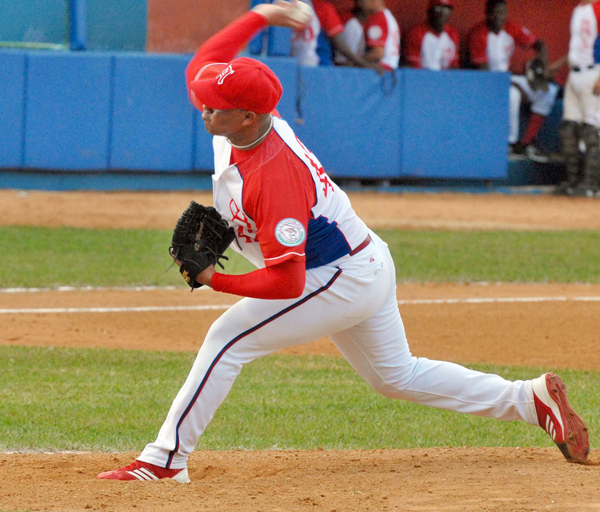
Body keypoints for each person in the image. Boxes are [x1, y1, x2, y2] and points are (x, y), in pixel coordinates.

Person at [97, 1, 590, 483]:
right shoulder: (237, 120)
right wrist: (262, 16)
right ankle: (530, 399)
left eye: (217, 107)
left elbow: (288, 281)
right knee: (396, 376)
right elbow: (202, 67)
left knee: (226, 340)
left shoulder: (275, 177)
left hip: (334, 278)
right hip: (362, 259)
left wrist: (215, 278)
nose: (204, 108)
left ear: (248, 116)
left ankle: (165, 458)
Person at [468, 0, 558, 161]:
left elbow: (540, 45)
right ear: (487, 14)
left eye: (503, 12)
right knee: (513, 94)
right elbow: (487, 74)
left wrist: (541, 66)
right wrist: (515, 83)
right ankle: (510, 143)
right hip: (484, 82)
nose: (499, 16)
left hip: (508, 76)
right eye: (495, 12)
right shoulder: (478, 34)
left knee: (549, 91)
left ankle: (525, 143)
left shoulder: (511, 27)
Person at [558, 0, 600, 197]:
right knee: (568, 128)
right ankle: (573, 181)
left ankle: (591, 184)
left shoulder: (598, 7)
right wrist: (556, 67)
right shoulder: (578, 9)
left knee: (590, 131)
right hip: (574, 74)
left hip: (593, 74)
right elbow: (575, 48)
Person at [291, 0, 384, 72]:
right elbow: (341, 46)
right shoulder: (323, 8)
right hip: (318, 68)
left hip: (292, 65)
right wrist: (363, 63)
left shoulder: (288, 5)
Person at [338, 0, 401, 70]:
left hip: (379, 69)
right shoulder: (388, 16)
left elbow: (377, 53)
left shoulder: (377, 18)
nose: (359, 4)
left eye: (362, 1)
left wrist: (355, 63)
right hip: (390, 68)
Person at [404, 0, 460, 71]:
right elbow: (413, 66)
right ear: (430, 11)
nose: (442, 12)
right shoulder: (416, 33)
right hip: (422, 78)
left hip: (446, 80)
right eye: (438, 8)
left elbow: (454, 66)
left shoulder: (453, 34)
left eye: (446, 9)